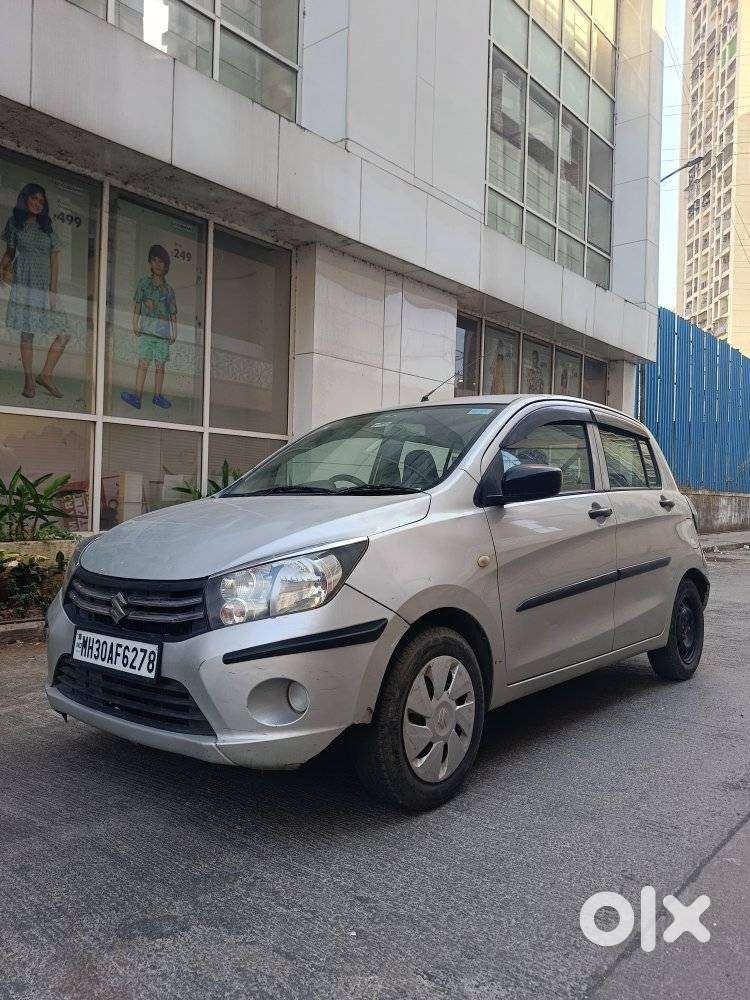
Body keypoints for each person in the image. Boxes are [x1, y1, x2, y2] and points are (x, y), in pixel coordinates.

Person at [0, 182, 70, 399]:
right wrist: (2, 270)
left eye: (41, 201)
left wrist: (53, 291)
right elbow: (10, 253)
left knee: (64, 333)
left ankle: (46, 375)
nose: (38, 204)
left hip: (44, 288)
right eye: (34, 199)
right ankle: (29, 379)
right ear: (25, 198)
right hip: (23, 283)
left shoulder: (47, 227)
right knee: (27, 333)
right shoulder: (15, 223)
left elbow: (55, 261)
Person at [121, 244, 177, 410]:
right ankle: (137, 396)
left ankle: (158, 396)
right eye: (155, 260)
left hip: (163, 333)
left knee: (160, 365)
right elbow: (137, 304)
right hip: (146, 331)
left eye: (161, 262)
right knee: (143, 363)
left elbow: (173, 313)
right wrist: (134, 323)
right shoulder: (144, 283)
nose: (158, 264)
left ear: (166, 266)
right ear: (150, 262)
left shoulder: (169, 289)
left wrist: (174, 332)